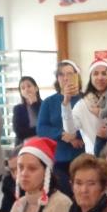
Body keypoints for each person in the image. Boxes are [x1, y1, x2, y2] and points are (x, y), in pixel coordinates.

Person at [37, 59, 84, 196]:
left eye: (70, 74)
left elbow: (91, 125)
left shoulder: (86, 99)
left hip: (82, 156)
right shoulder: (49, 102)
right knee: (64, 195)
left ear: (76, 76)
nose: (65, 78)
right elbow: (41, 128)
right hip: (58, 158)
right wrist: (63, 135)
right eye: (61, 74)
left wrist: (76, 136)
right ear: (57, 78)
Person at [63, 58, 107, 155]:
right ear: (90, 78)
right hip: (94, 157)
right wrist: (66, 103)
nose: (100, 77)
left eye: (104, 73)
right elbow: (70, 130)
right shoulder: (83, 104)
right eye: (95, 74)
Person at [12, 76, 42, 144]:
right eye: (23, 88)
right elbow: (19, 133)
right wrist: (39, 130)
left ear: (36, 88)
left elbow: (47, 127)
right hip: (24, 144)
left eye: (29, 86)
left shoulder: (45, 105)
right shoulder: (18, 109)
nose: (26, 89)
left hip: (43, 142)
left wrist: (35, 104)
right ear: (21, 92)